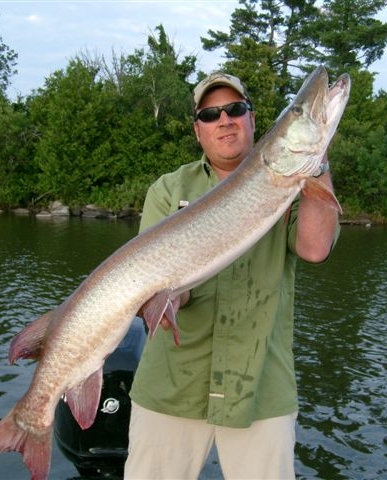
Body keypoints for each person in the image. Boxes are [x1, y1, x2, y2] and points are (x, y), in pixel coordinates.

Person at [124, 72, 340, 479]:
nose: (224, 120)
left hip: (261, 389)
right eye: (210, 114)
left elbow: (315, 249)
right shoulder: (168, 189)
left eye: (235, 109)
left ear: (253, 120)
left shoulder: (294, 183)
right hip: (172, 387)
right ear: (198, 130)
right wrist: (166, 296)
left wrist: (318, 160)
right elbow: (164, 292)